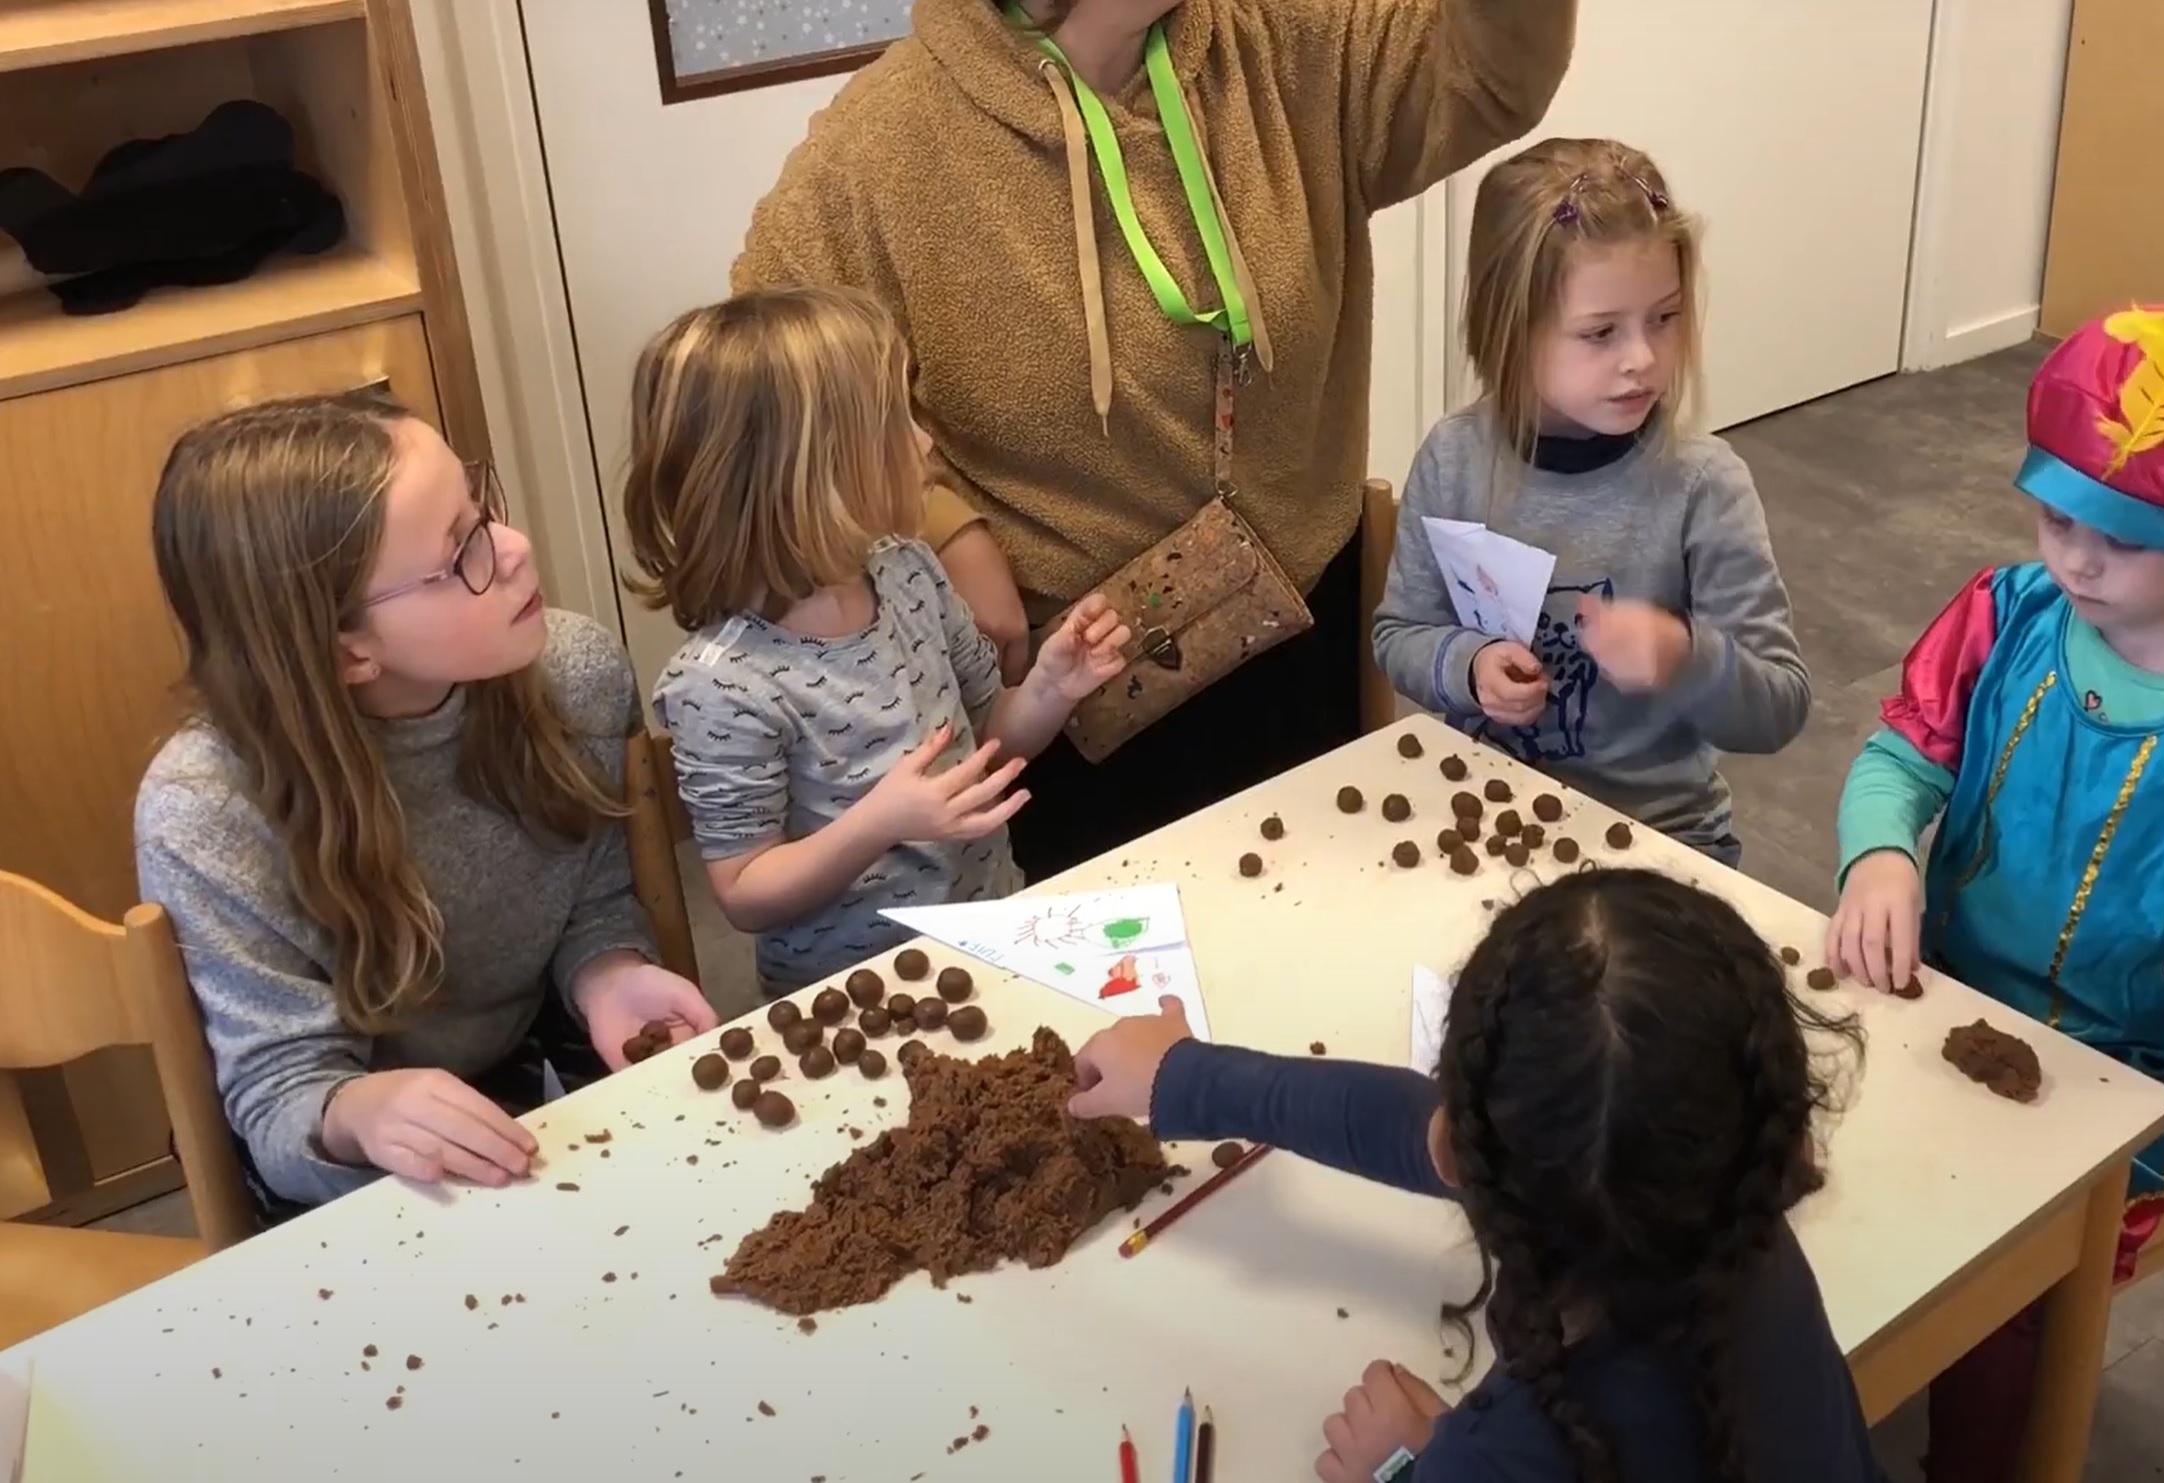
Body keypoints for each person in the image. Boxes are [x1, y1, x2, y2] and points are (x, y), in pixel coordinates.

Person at [732, 0, 1579, 879]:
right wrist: (941, 520)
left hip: (1296, 629)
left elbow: (1490, 74)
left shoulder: (1284, 40)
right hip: (1066, 688)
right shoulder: (883, 145)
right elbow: (769, 380)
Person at [1069, 869, 1881, 1483]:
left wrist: (1411, 1467)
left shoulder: (1509, 1451)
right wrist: (1191, 1078)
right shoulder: (1731, 1223)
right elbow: (1412, 1125)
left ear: (1455, 1147)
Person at [135, 392, 716, 1219]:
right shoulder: (204, 809)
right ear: (348, 653)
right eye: (462, 552)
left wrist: (608, 971)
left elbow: (590, 897)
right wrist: (359, 1112)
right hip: (348, 1144)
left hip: (529, 1055)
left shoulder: (577, 675)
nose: (514, 549)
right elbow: (277, 1093)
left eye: (483, 512)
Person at [1827, 304, 2164, 1483]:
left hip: (2137, 1071)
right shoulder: (2007, 615)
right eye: (2053, 517)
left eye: (2121, 538)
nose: (2075, 558)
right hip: (1950, 992)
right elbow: (1897, 757)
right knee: (1818, 1136)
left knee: (2005, 1273)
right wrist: (1880, 852)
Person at [622, 289, 1129, 997]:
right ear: (808, 473)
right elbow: (742, 889)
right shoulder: (720, 685)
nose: (924, 441)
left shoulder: (910, 573)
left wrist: (1048, 687)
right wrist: (878, 822)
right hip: (856, 1000)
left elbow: (989, 744)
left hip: (993, 940)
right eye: (896, 420)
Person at [1374, 138, 1809, 867]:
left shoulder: (1703, 485)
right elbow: (1400, 633)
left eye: (1663, 318)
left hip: (1657, 836)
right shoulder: (1452, 458)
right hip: (1483, 814)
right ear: (1508, 330)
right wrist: (1468, 664)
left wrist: (1684, 658)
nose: (1640, 357)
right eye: (1600, 333)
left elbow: (1780, 705)